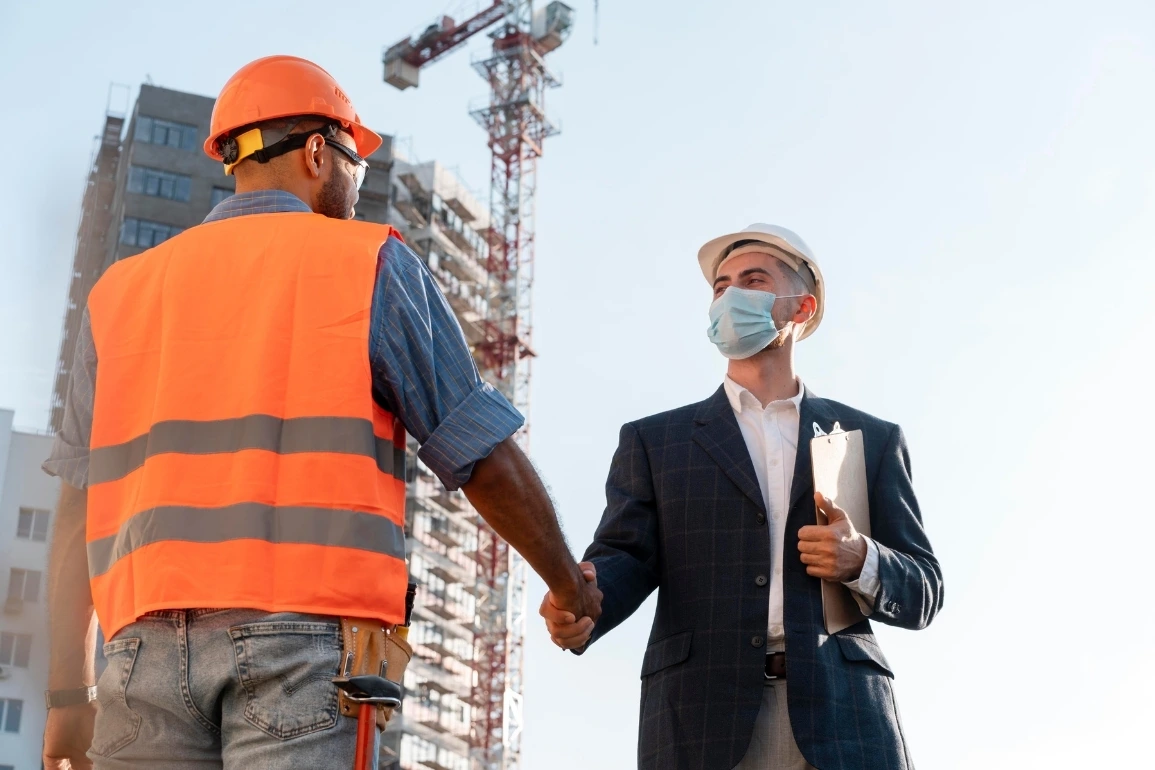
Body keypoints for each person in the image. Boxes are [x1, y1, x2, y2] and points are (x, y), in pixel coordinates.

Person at [41, 55, 600, 770]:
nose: (357, 182)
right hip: (305, 653)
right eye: (352, 161)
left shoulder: (120, 296)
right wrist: (567, 586)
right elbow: (478, 451)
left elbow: (75, 506)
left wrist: (66, 696)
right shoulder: (366, 262)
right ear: (315, 152)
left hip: (138, 658)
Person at [540, 223, 943, 770]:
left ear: (801, 308)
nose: (730, 297)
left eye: (752, 281)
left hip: (845, 717)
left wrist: (861, 559)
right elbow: (622, 559)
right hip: (701, 718)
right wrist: (580, 602)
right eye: (720, 286)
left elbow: (924, 587)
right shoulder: (656, 442)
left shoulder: (870, 440)